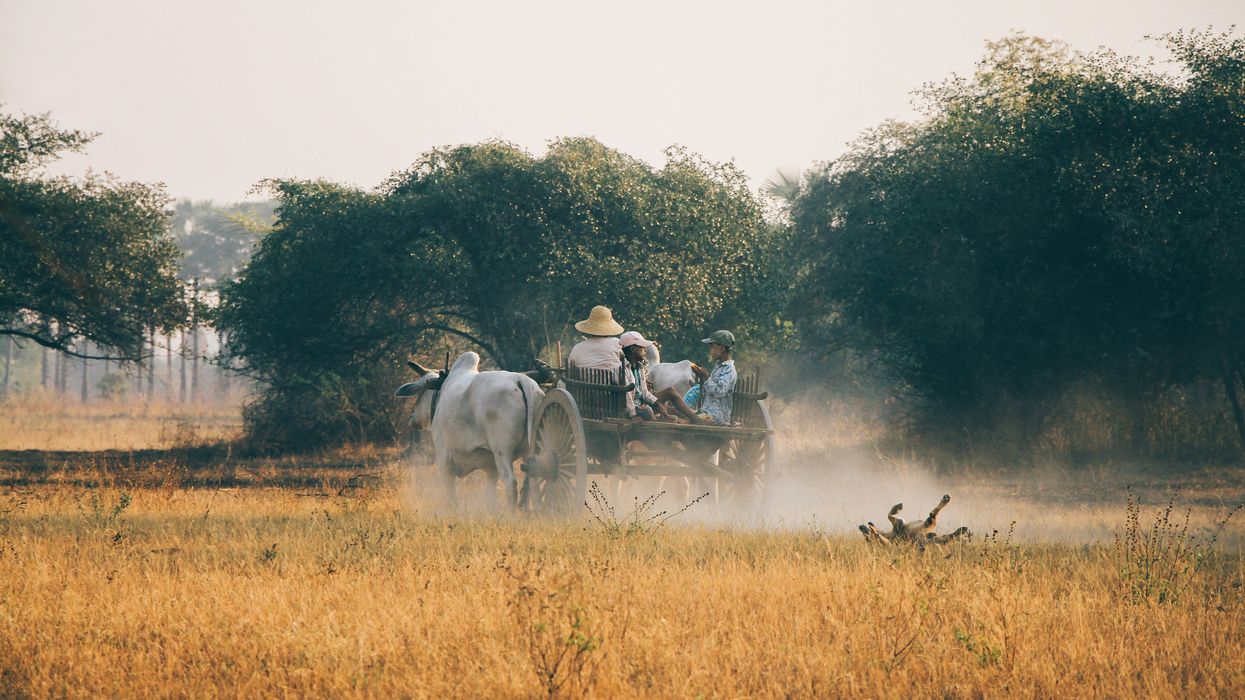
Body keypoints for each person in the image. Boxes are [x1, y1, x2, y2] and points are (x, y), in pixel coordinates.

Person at [566, 305, 632, 417]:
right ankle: (632, 411)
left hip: (585, 401)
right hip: (613, 402)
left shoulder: (577, 348)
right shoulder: (617, 344)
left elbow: (569, 371)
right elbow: (626, 366)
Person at [683, 330, 738, 425]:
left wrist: (705, 376)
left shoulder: (729, 369)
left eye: (712, 347)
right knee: (679, 413)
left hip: (716, 418)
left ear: (721, 348)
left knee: (682, 422)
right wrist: (703, 378)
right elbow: (709, 389)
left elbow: (720, 392)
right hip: (707, 413)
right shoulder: (719, 367)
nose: (710, 350)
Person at [619, 330, 669, 422]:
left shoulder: (640, 367)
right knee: (647, 410)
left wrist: (657, 404)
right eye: (642, 347)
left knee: (659, 407)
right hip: (626, 410)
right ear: (633, 349)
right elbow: (627, 397)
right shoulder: (621, 369)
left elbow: (644, 393)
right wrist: (633, 415)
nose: (645, 350)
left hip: (638, 405)